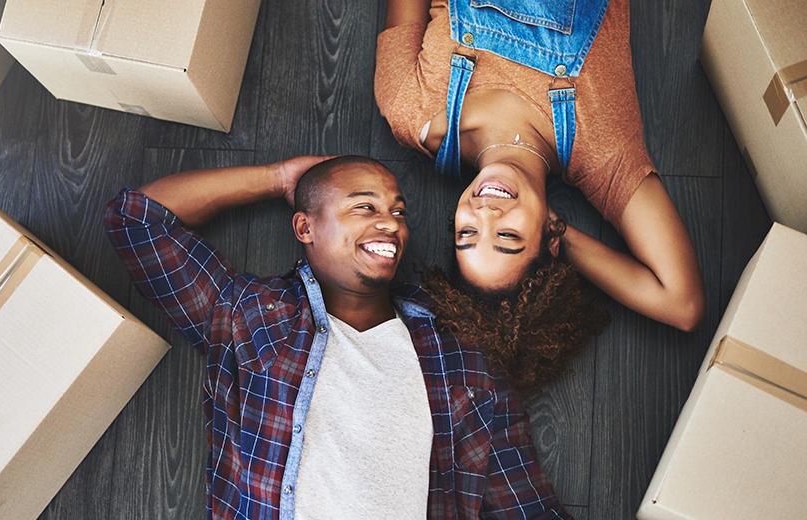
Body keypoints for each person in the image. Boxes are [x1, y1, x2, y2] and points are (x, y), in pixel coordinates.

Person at [104, 155, 571, 518]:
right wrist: (279, 177)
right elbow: (138, 220)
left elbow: (523, 505)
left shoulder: (462, 351)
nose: (390, 222)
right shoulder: (252, 315)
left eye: (397, 211)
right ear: (305, 226)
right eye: (364, 206)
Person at [375, 0, 706, 344]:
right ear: (549, 240)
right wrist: (560, 232)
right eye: (507, 237)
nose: (486, 214)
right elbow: (682, 304)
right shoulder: (602, 150)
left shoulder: (408, 107)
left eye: (468, 233)